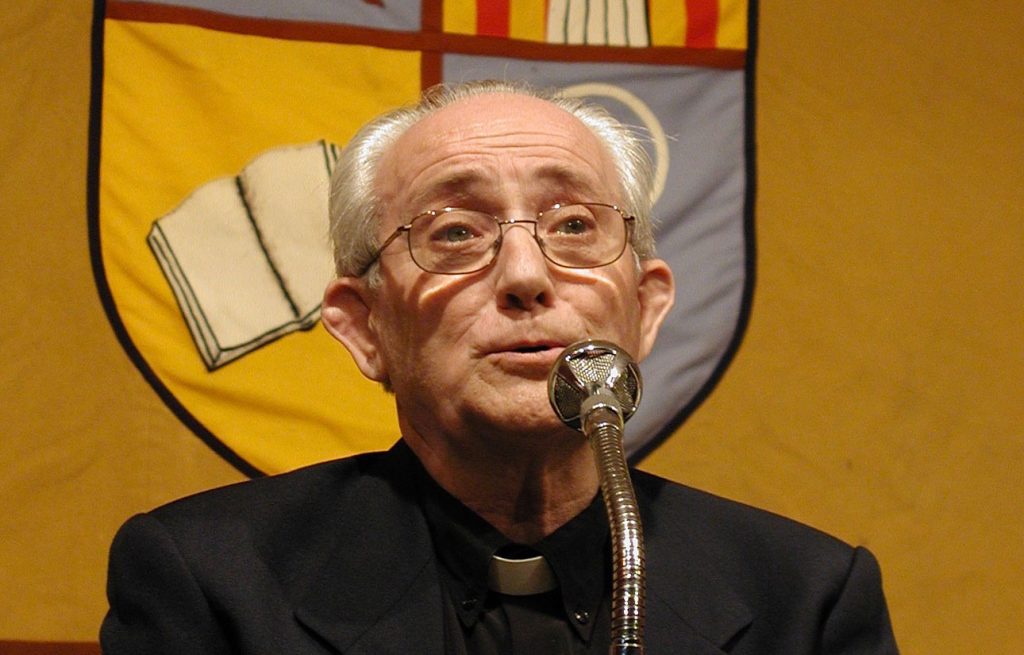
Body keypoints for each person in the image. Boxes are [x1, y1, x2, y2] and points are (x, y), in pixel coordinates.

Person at [101, 80, 899, 654]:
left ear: (645, 308)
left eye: (575, 224)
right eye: (454, 232)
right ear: (366, 327)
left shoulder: (804, 601)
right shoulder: (210, 584)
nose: (525, 274)